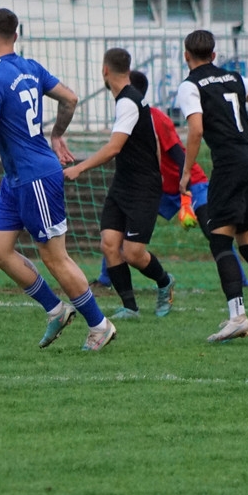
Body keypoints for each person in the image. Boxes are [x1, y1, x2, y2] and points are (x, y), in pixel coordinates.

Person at [0, 8, 116, 351]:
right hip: (16, 178)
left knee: (55, 257)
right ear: (16, 36)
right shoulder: (31, 67)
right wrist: (57, 134)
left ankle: (99, 325)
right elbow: (70, 98)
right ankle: (55, 310)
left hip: (36, 178)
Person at [176, 29, 248, 344]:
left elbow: (196, 129)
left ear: (186, 56)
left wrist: (186, 173)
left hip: (229, 167)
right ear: (214, 55)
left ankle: (237, 317)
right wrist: (244, 131)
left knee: (220, 241)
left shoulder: (190, 85)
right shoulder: (235, 78)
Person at [90, 70, 248, 289]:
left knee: (213, 229)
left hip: (191, 183)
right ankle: (105, 279)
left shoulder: (156, 118)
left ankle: (241, 279)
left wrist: (187, 187)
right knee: (119, 227)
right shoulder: (127, 114)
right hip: (160, 188)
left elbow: (178, 154)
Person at [64, 50, 176, 320]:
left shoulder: (128, 101)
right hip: (124, 183)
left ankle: (165, 282)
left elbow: (114, 148)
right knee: (109, 244)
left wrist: (79, 167)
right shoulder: (128, 100)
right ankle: (130, 307)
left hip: (143, 187)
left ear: (105, 70)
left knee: (133, 253)